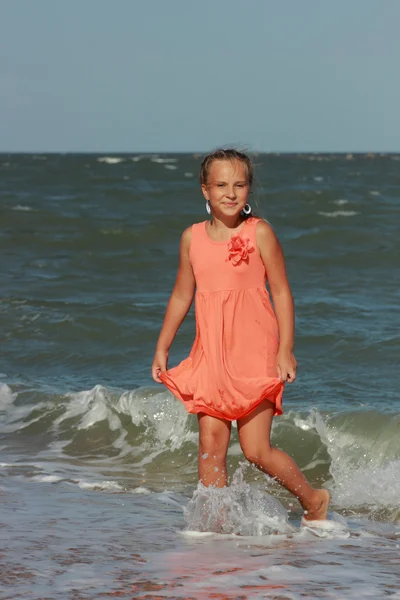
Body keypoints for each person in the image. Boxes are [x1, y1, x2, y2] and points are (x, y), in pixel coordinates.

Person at [152, 148, 330, 522]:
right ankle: (214, 526)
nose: (230, 193)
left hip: (255, 352)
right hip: (211, 355)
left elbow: (281, 290)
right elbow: (182, 293)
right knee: (211, 445)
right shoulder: (192, 239)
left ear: (249, 189)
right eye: (220, 185)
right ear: (205, 190)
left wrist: (286, 349)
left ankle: (313, 499)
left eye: (239, 184)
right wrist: (162, 345)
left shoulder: (259, 232)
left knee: (255, 450)